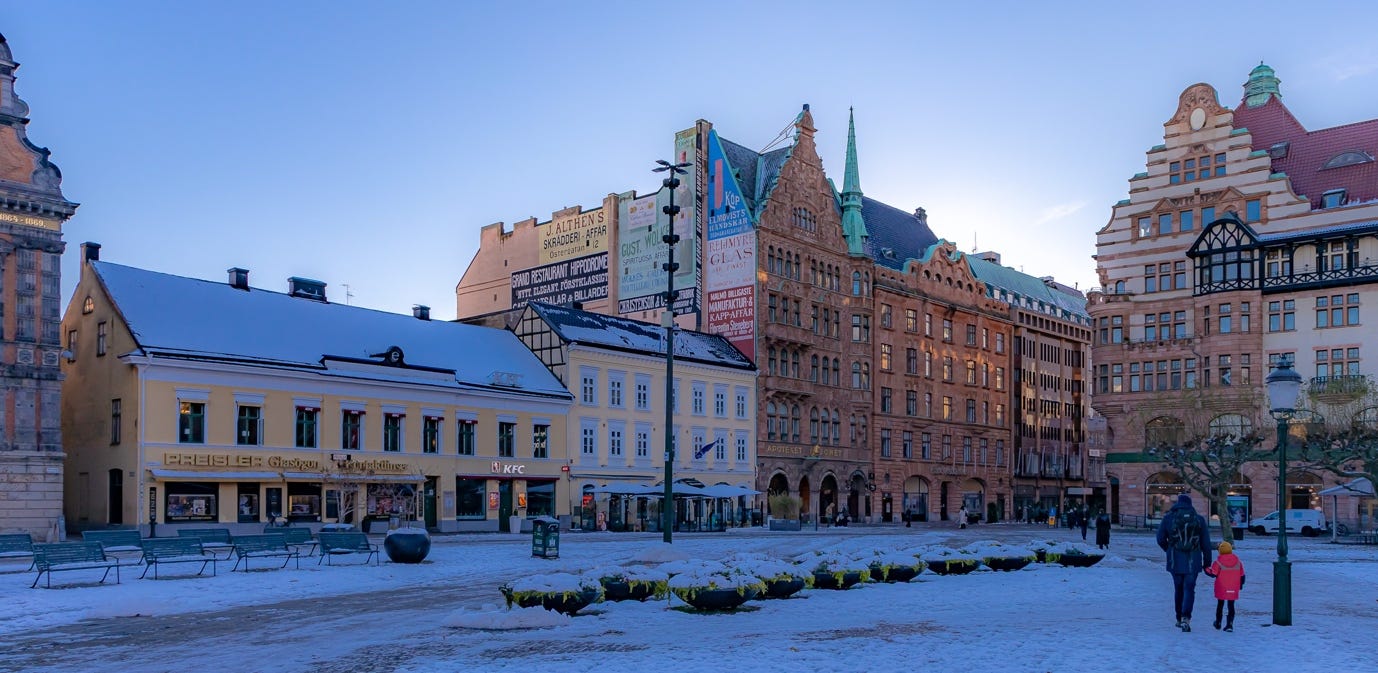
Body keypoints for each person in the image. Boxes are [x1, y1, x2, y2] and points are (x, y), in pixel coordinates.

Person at [1156, 493, 1212, 632]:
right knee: (1190, 589)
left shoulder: (1169, 518)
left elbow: (1160, 538)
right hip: (1194, 560)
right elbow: (1206, 543)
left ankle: (1178, 618)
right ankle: (1186, 617)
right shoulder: (1199, 519)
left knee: (1178, 589)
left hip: (1175, 559)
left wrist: (1169, 550)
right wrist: (1207, 562)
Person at [1204, 541, 1246, 632]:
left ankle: (1218, 622)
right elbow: (1242, 575)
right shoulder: (1238, 562)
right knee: (1231, 605)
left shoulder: (1218, 562)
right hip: (1234, 587)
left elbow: (1213, 573)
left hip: (1222, 587)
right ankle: (1230, 624)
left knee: (1220, 604)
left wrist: (1206, 569)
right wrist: (1241, 585)